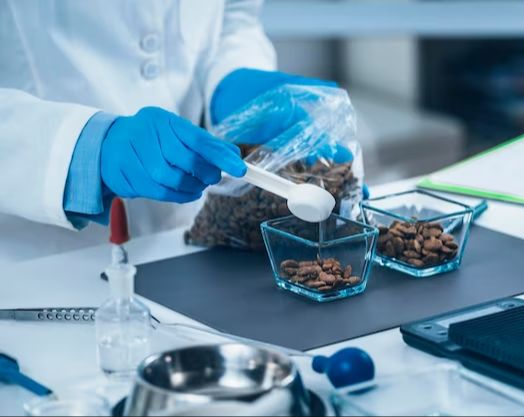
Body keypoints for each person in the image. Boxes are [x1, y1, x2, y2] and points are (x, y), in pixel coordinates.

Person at [0, 0, 339, 265]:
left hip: (189, 243)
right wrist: (82, 149)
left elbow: (233, 16)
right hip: (32, 260)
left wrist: (231, 79)